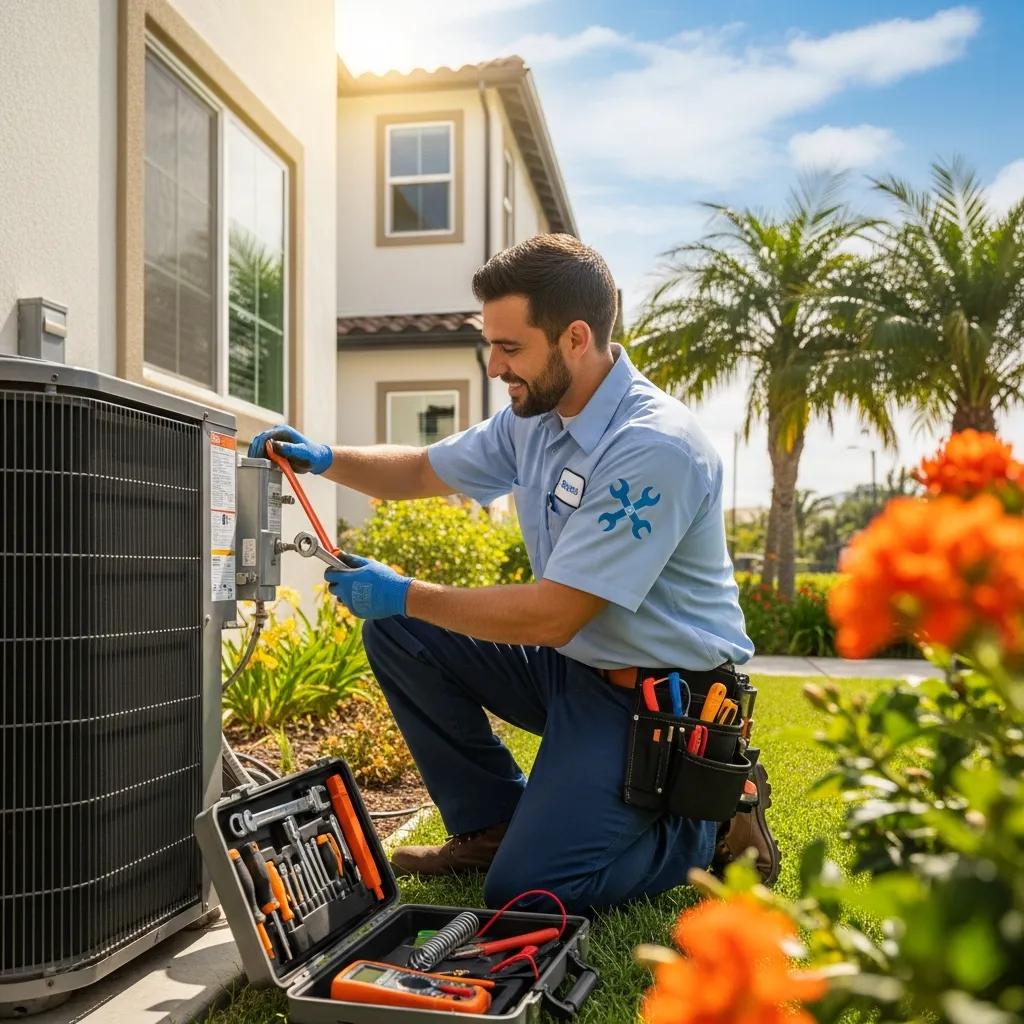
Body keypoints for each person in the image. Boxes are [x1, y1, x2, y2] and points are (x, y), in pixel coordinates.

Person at [250, 233, 778, 914]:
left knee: (529, 894)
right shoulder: (535, 418)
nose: (495, 365)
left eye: (510, 347)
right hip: (574, 668)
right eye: (490, 344)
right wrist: (324, 458)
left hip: (658, 701)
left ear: (576, 338)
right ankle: (493, 826)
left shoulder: (652, 448)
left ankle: (704, 831)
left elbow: (554, 613)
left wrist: (406, 592)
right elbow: (419, 469)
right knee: (402, 634)